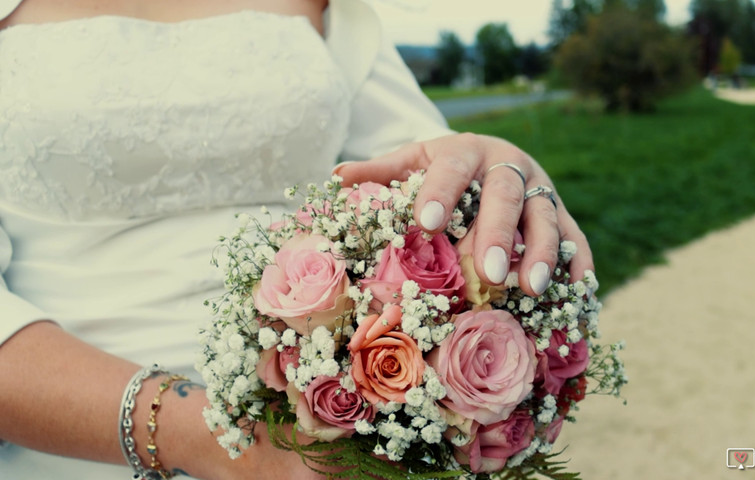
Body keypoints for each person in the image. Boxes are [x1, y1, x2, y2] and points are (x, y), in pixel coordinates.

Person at [0, 0, 594, 478]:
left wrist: (490, 166)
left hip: (332, 441)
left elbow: (421, 161)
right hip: (75, 431)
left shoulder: (331, 10)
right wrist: (219, 443)